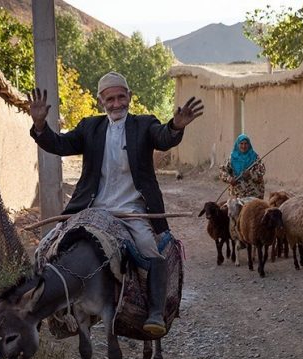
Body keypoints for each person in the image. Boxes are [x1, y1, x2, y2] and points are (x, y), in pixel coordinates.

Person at [28, 71, 203, 337]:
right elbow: (60, 144)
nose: (116, 103)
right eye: (110, 99)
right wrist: (40, 126)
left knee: (150, 252)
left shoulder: (144, 125)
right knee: (44, 248)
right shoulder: (89, 127)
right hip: (91, 210)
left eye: (122, 97)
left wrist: (176, 126)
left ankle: (154, 314)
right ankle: (44, 314)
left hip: (131, 211)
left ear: (130, 97)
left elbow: (163, 137)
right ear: (101, 101)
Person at [219, 133, 266, 199]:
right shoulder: (232, 158)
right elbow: (223, 171)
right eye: (241, 143)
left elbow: (261, 171)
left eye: (246, 143)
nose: (243, 146)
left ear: (249, 144)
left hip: (254, 194)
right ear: (237, 144)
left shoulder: (255, 158)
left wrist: (250, 174)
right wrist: (229, 179)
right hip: (237, 195)